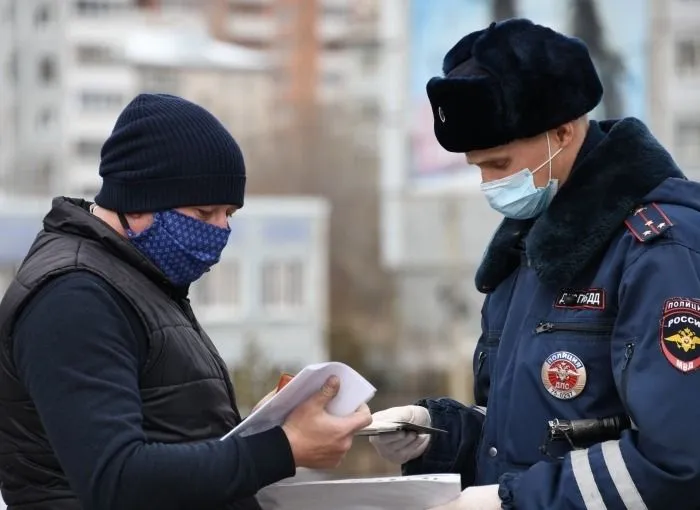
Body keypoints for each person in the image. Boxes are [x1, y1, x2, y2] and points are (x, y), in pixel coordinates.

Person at [370, 17, 700, 510]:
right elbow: (533, 427)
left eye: (499, 164)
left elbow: (678, 462)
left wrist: (513, 502)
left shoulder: (658, 248)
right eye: (477, 166)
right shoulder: (528, 247)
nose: (487, 184)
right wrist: (441, 437)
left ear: (562, 133)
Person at [0, 93, 371, 510]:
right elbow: (116, 479)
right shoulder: (73, 295)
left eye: (229, 213)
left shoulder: (139, 280)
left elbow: (169, 430)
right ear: (136, 201)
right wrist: (283, 449)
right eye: (204, 212)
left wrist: (262, 425)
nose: (220, 231)